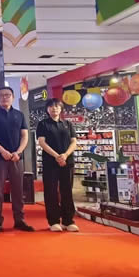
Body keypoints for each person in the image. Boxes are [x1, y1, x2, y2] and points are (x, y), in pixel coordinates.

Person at [0, 86, 34, 232]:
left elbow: (24, 136)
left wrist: (18, 152)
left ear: (12, 97)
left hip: (16, 158)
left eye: (7, 95)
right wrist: (2, 151)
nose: (4, 97)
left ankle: (20, 220)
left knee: (18, 190)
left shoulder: (19, 114)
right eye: (1, 95)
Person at [37, 98, 79, 232]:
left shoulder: (68, 124)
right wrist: (56, 156)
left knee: (67, 190)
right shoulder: (43, 124)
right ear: (47, 109)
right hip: (50, 162)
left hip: (67, 161)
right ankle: (53, 221)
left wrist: (65, 155)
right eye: (51, 106)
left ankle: (68, 221)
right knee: (51, 191)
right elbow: (42, 142)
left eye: (57, 106)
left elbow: (74, 142)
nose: (54, 108)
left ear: (61, 109)